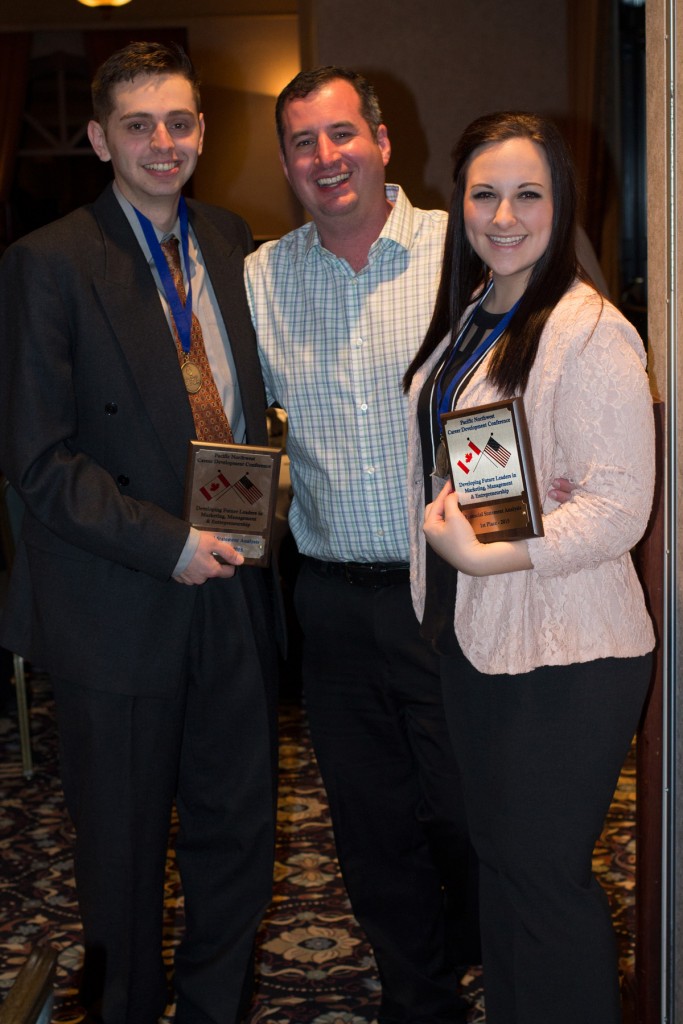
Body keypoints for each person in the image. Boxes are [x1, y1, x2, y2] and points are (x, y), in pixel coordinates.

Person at [0, 42, 279, 1024]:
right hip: (117, 601)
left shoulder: (236, 239)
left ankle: (212, 1007)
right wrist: (169, 542)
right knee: (120, 849)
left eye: (179, 122)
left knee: (235, 830)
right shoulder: (46, 263)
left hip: (233, 589)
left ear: (201, 129)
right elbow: (38, 461)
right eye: (137, 125)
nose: (163, 143)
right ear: (96, 139)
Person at [404, 110, 655, 1024]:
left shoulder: (590, 331)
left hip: (569, 652)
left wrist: (493, 548)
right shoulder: (480, 306)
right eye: (483, 193)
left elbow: (618, 509)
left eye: (527, 194)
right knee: (503, 873)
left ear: (562, 204)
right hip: (484, 638)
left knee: (543, 884)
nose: (502, 215)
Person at [245, 65, 483, 1024]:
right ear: (286, 163)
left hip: (458, 587)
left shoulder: (462, 243)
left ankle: (478, 944)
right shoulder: (265, 274)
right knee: (369, 821)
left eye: (342, 134)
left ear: (383, 141)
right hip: (334, 600)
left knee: (469, 809)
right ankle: (415, 995)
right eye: (302, 142)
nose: (325, 157)